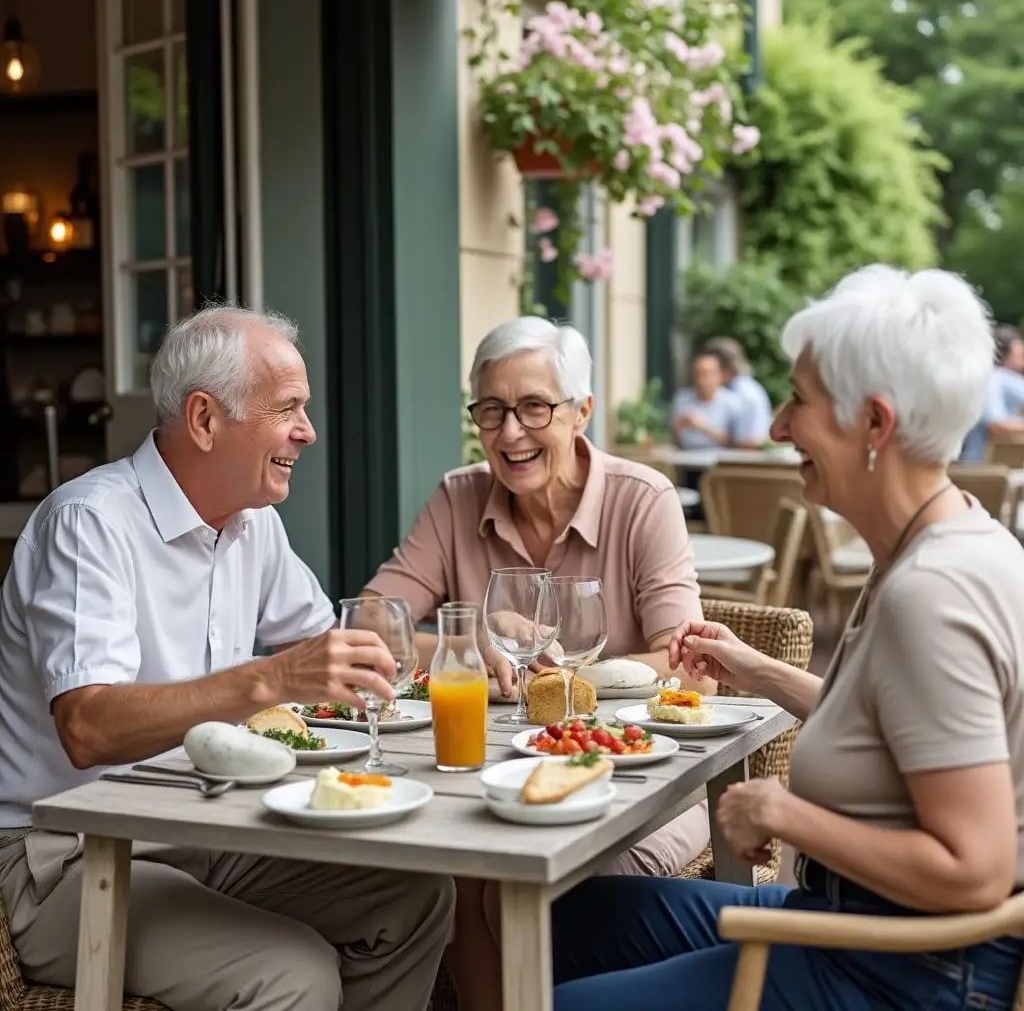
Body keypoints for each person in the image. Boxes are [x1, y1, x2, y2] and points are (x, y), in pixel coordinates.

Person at [550, 265, 1024, 1010]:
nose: (774, 427)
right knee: (567, 916)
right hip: (855, 927)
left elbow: (976, 869)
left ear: (875, 424)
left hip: (903, 972)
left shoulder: (932, 594)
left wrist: (779, 811)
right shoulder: (934, 539)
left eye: (798, 401)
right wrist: (756, 669)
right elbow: (900, 726)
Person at [0, 307, 454, 1011]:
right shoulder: (89, 525)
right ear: (205, 420)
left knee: (415, 898)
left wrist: (467, 647)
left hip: (206, 828)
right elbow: (87, 726)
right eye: (288, 410)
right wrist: (272, 677)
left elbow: (331, 650)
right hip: (69, 855)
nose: (308, 431)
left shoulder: (251, 524)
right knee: (293, 972)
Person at [363, 315, 712, 1011]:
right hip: (484, 781)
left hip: (630, 781)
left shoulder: (642, 500)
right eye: (492, 410)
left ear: (581, 411)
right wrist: (472, 642)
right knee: (460, 879)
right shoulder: (458, 496)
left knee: (519, 889)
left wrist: (565, 682)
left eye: (533, 407)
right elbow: (375, 619)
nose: (510, 432)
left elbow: (688, 666)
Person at [960, 324, 1024, 461]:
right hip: (985, 466)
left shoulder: (1010, 379)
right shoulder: (993, 379)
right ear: (1005, 353)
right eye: (1019, 354)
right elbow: (996, 424)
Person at [702, 336, 773, 447]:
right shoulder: (744, 388)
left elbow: (749, 442)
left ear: (725, 369)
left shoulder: (743, 394)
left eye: (710, 370)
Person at [670, 351, 743, 450]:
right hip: (685, 456)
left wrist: (701, 426)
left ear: (719, 375)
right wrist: (678, 427)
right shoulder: (682, 399)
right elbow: (674, 439)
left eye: (705, 374)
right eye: (697, 374)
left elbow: (735, 441)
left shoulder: (733, 402)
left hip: (721, 460)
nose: (701, 380)